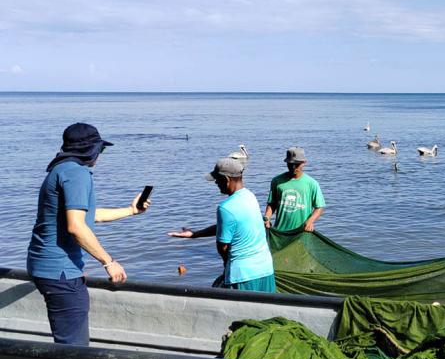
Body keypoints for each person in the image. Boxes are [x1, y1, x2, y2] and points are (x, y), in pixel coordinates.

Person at [27, 123, 151, 346]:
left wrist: (131, 210)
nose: (100, 156)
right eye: (100, 150)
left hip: (44, 266)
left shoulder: (60, 169)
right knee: (73, 349)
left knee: (68, 340)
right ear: (90, 150)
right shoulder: (77, 173)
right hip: (60, 272)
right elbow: (76, 227)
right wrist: (109, 262)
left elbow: (89, 216)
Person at [168, 157, 276, 292]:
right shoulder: (250, 197)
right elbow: (231, 226)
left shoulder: (225, 208)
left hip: (242, 276)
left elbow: (222, 247)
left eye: (217, 180)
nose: (216, 183)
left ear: (226, 180)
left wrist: (227, 267)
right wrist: (194, 234)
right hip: (265, 269)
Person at [264, 147, 326, 232]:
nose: (293, 167)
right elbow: (272, 203)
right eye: (290, 164)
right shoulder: (277, 181)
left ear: (304, 163)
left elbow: (319, 207)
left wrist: (310, 221)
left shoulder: (312, 183)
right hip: (280, 232)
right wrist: (267, 217)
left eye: (296, 164)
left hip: (302, 232)